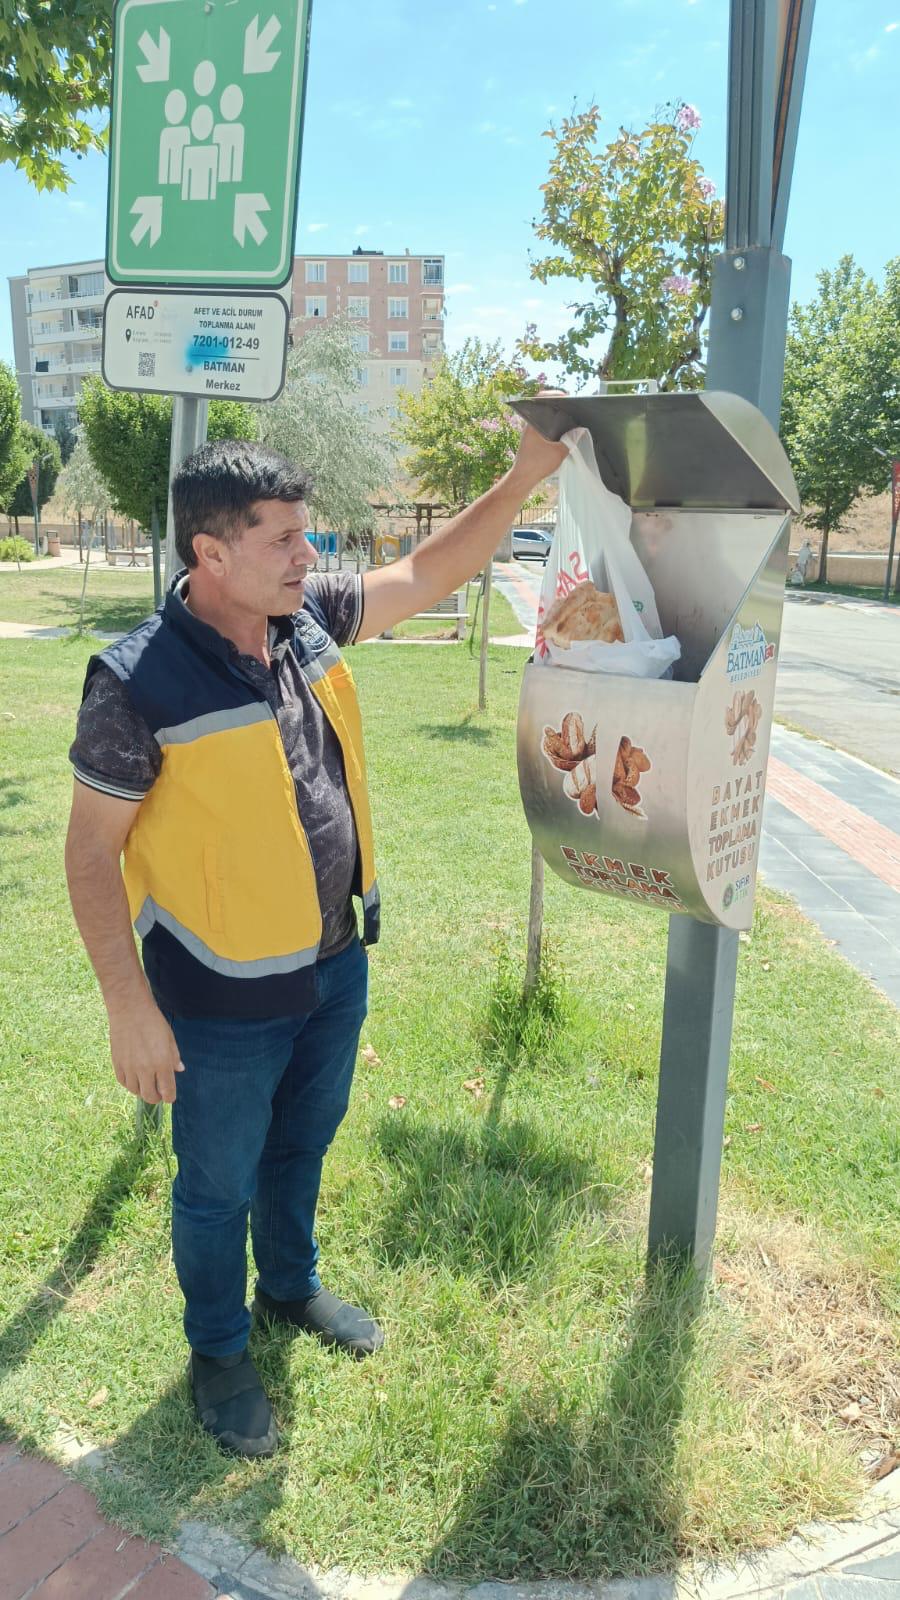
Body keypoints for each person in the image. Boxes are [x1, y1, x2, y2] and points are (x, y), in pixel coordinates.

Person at [65, 420, 567, 1458]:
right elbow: (87, 856)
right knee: (216, 1185)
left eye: (310, 535)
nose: (311, 555)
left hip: (333, 967)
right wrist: (128, 1008)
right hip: (217, 1000)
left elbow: (427, 573)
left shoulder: (305, 622)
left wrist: (523, 475)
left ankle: (288, 1287)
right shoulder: (137, 683)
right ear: (211, 553)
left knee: (303, 1142)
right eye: (286, 539)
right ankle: (218, 1350)